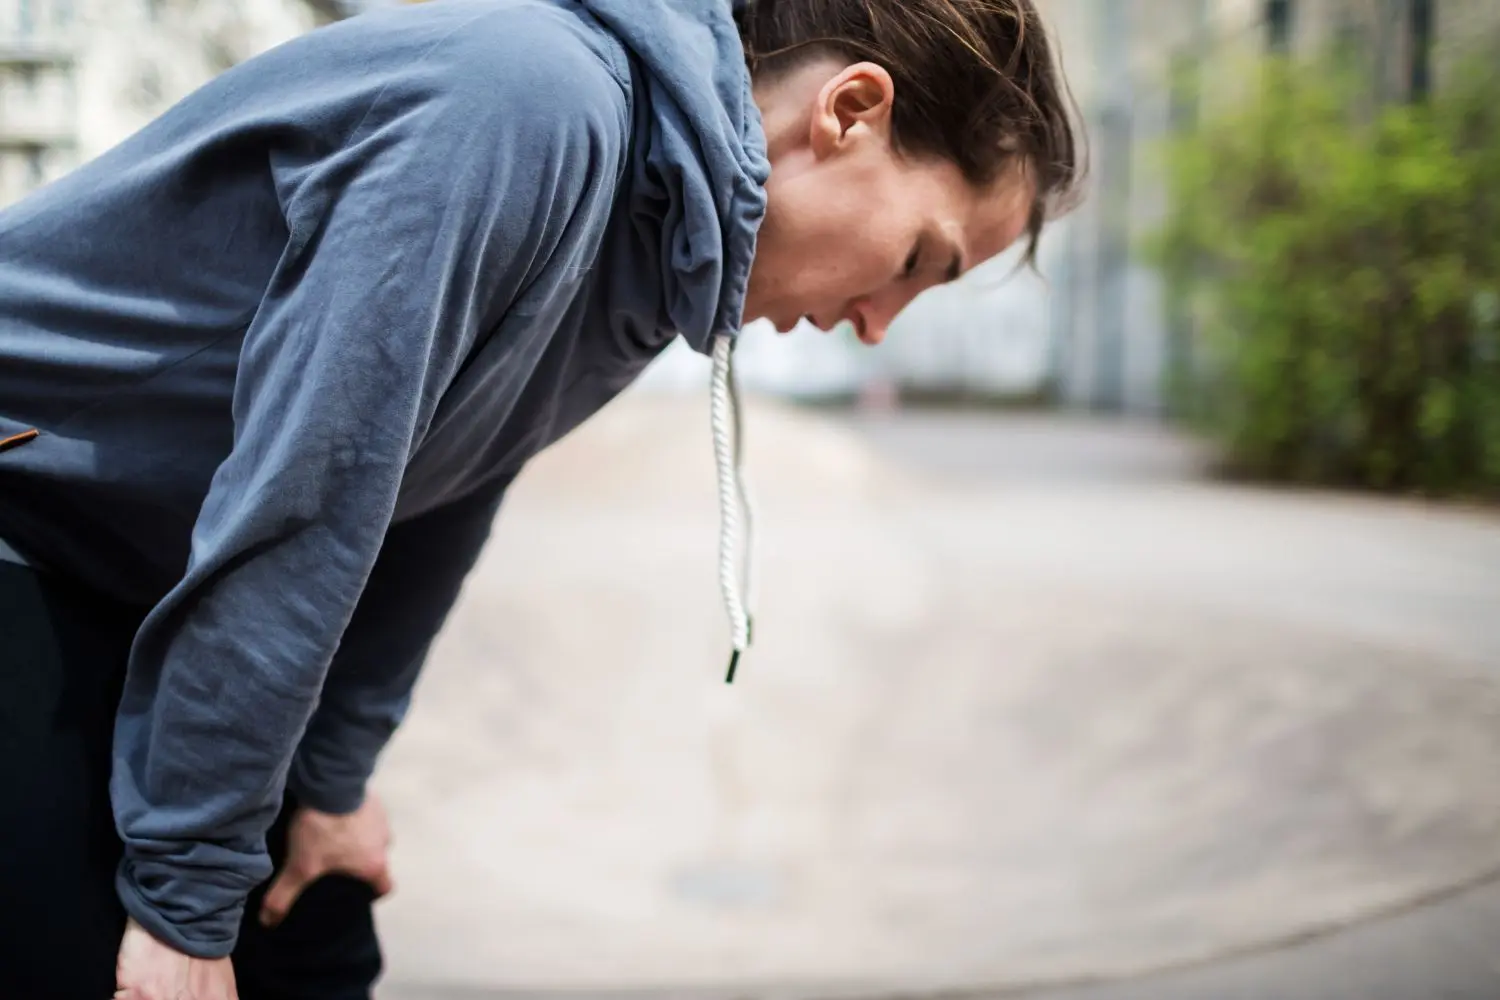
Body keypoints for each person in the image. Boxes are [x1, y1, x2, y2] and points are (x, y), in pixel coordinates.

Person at [0, 0, 1080, 996]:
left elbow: (440, 490)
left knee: (317, 940)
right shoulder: (525, 105)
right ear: (850, 110)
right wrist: (186, 902)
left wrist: (330, 781)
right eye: (917, 259)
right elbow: (308, 495)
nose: (881, 323)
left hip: (140, 564)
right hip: (29, 508)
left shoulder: (664, 239)